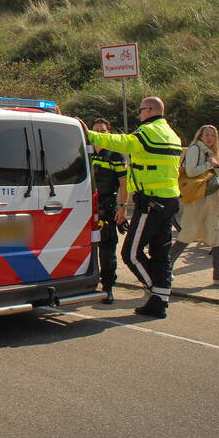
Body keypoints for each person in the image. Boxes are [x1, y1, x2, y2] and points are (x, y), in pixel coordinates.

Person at [82, 96, 182, 318]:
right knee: (160, 252)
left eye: (140, 110)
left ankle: (155, 292)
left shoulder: (147, 132)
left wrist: (88, 134)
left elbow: (122, 142)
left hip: (151, 202)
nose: (139, 114)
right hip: (170, 201)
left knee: (131, 253)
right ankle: (160, 301)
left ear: (148, 110)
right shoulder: (172, 134)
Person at [170, 124, 219, 286]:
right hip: (198, 200)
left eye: (212, 135)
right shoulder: (195, 149)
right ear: (200, 135)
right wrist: (209, 164)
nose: (209, 138)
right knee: (187, 234)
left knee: (218, 236)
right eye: (206, 135)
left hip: (210, 201)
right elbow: (191, 172)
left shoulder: (209, 151)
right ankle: (164, 268)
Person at [90, 118, 128, 304]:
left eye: (103, 131)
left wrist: (123, 207)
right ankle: (88, 282)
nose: (99, 133)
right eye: (95, 130)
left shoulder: (115, 155)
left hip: (107, 206)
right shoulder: (85, 151)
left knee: (107, 248)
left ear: (109, 133)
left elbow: (123, 183)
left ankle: (108, 287)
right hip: (85, 205)